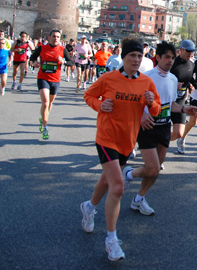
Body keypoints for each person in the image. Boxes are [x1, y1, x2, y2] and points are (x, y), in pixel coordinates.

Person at [79, 38, 161, 262]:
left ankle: (89, 206)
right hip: (106, 138)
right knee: (117, 187)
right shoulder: (108, 78)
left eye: (139, 56)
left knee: (106, 181)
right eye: (131, 56)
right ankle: (111, 240)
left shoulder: (146, 82)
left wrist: (151, 102)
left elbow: (154, 111)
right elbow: (89, 95)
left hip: (128, 142)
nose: (135, 60)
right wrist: (99, 105)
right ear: (123, 58)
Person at [122, 42, 197, 216]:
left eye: (172, 58)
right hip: (147, 128)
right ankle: (129, 175)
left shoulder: (172, 79)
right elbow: (132, 100)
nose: (170, 61)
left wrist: (184, 109)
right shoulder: (145, 77)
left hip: (164, 126)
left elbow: (170, 104)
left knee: (155, 170)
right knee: (152, 168)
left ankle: (138, 197)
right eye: (166, 57)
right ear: (157, 58)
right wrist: (141, 115)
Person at [29, 29, 74, 140]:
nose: (55, 38)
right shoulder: (42, 48)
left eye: (58, 37)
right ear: (49, 37)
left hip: (55, 80)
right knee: (45, 103)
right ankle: (45, 127)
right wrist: (34, 63)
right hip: (43, 78)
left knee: (49, 104)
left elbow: (71, 62)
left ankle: (43, 119)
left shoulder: (62, 50)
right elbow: (32, 58)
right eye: (53, 36)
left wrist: (63, 61)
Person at [170, 40, 197, 154]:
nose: (190, 53)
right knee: (160, 129)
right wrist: (172, 84)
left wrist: (195, 86)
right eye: (188, 51)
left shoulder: (191, 63)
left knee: (179, 133)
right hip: (167, 101)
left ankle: (157, 141)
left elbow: (190, 77)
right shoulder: (171, 63)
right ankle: (156, 145)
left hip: (180, 101)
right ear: (180, 50)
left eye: (192, 51)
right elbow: (162, 77)